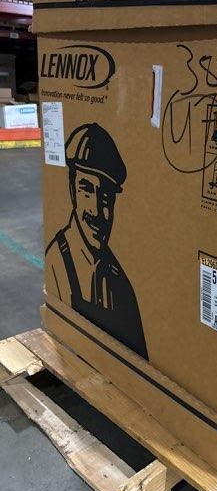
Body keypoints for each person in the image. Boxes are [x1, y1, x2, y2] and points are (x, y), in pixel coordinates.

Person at [45, 123, 148, 360]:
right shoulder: (57, 263)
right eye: (87, 190)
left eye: (106, 197)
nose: (97, 211)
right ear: (72, 191)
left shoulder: (120, 282)